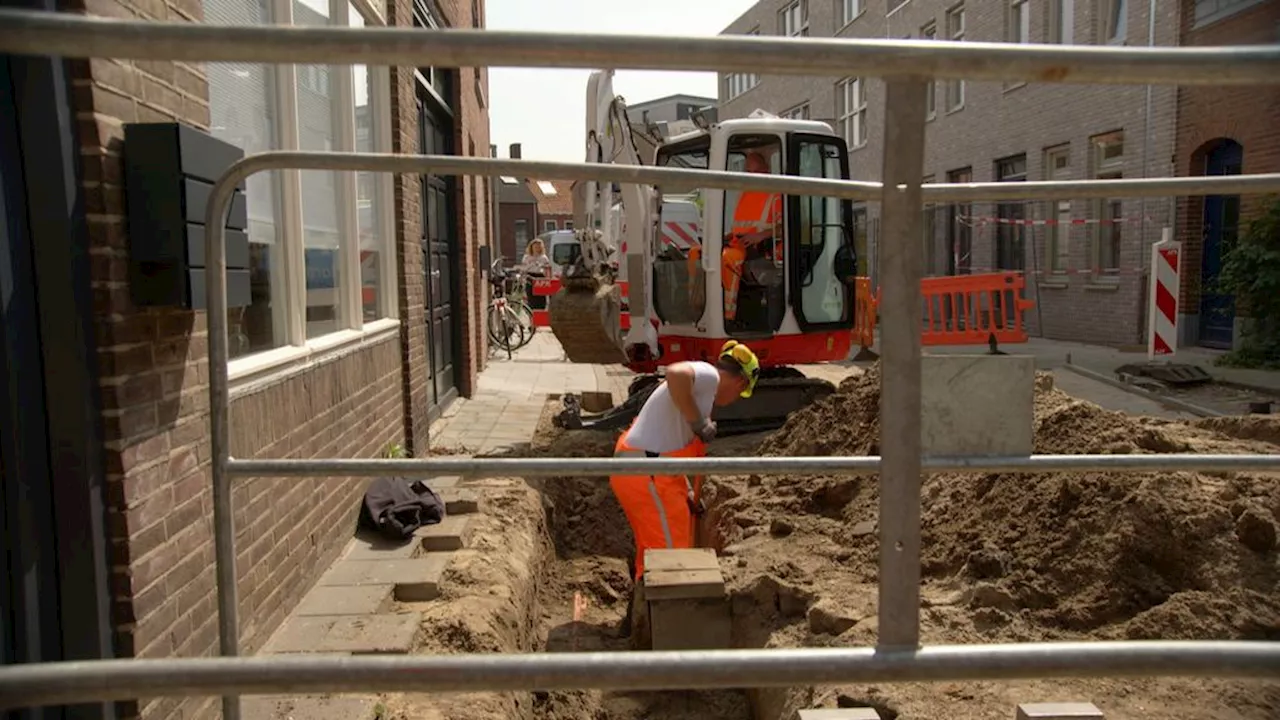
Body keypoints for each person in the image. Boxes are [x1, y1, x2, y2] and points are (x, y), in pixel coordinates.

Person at [610, 340, 760, 638]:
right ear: (741, 380)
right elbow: (675, 373)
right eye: (741, 392)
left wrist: (693, 494)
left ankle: (642, 625)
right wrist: (698, 421)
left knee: (654, 554)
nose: (734, 399)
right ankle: (667, 636)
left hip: (652, 472)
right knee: (670, 559)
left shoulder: (701, 400)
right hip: (647, 473)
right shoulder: (707, 376)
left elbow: (689, 452)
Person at [519, 238, 552, 310]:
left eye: (539, 247)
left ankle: (540, 318)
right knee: (531, 300)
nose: (537, 248)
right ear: (532, 247)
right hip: (530, 277)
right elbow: (523, 269)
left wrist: (549, 280)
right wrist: (521, 278)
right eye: (535, 247)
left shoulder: (544, 258)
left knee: (541, 300)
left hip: (540, 277)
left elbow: (548, 269)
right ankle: (532, 318)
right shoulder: (526, 257)